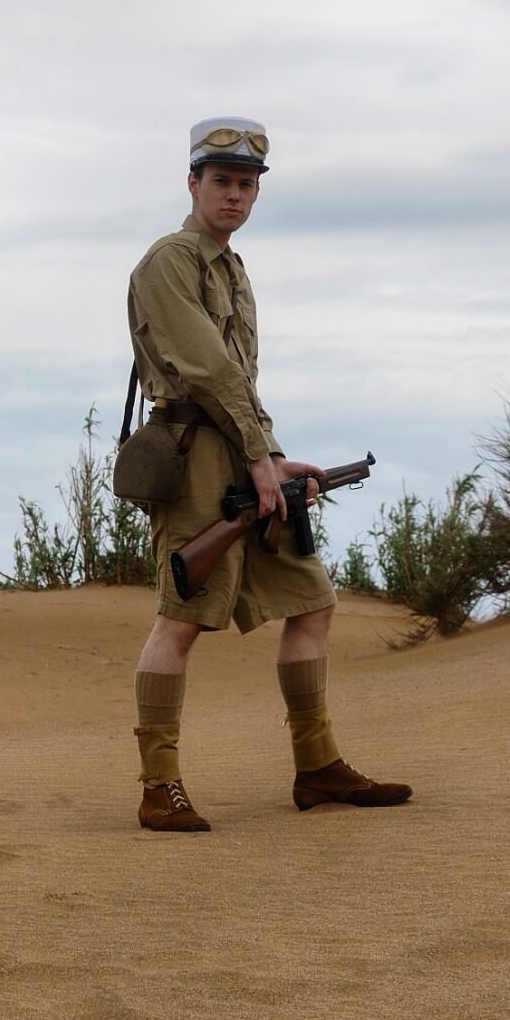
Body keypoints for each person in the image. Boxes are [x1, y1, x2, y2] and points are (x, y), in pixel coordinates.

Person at [125, 117, 413, 831]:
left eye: (247, 184)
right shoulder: (170, 260)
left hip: (245, 454)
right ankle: (159, 785)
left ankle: (317, 765)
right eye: (221, 180)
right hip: (198, 461)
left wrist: (274, 456)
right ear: (192, 182)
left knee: (312, 600)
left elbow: (241, 384)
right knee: (181, 619)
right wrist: (261, 460)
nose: (235, 194)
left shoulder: (233, 267)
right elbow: (208, 371)